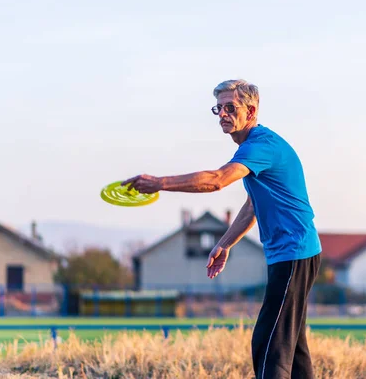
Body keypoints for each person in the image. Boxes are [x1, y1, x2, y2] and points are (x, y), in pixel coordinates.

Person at [122, 79, 322, 379]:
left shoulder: (261, 145)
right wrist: (225, 243)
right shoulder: (256, 149)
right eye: (219, 108)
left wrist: (160, 183)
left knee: (270, 342)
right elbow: (253, 205)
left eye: (231, 108)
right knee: (293, 346)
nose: (223, 114)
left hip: (294, 253)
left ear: (251, 110)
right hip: (295, 254)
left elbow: (216, 180)